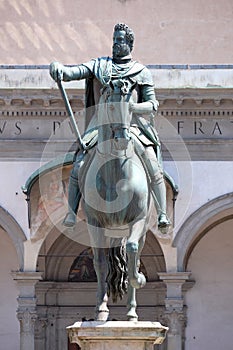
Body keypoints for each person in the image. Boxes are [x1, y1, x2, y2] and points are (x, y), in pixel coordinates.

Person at [50, 23, 170, 232]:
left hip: (132, 126)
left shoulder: (141, 72)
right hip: (102, 125)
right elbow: (76, 72)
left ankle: (162, 213)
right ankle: (72, 211)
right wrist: (61, 70)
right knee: (79, 163)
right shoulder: (100, 66)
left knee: (152, 164)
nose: (116, 44)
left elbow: (152, 105)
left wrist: (131, 107)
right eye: (114, 40)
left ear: (129, 43)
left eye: (120, 40)